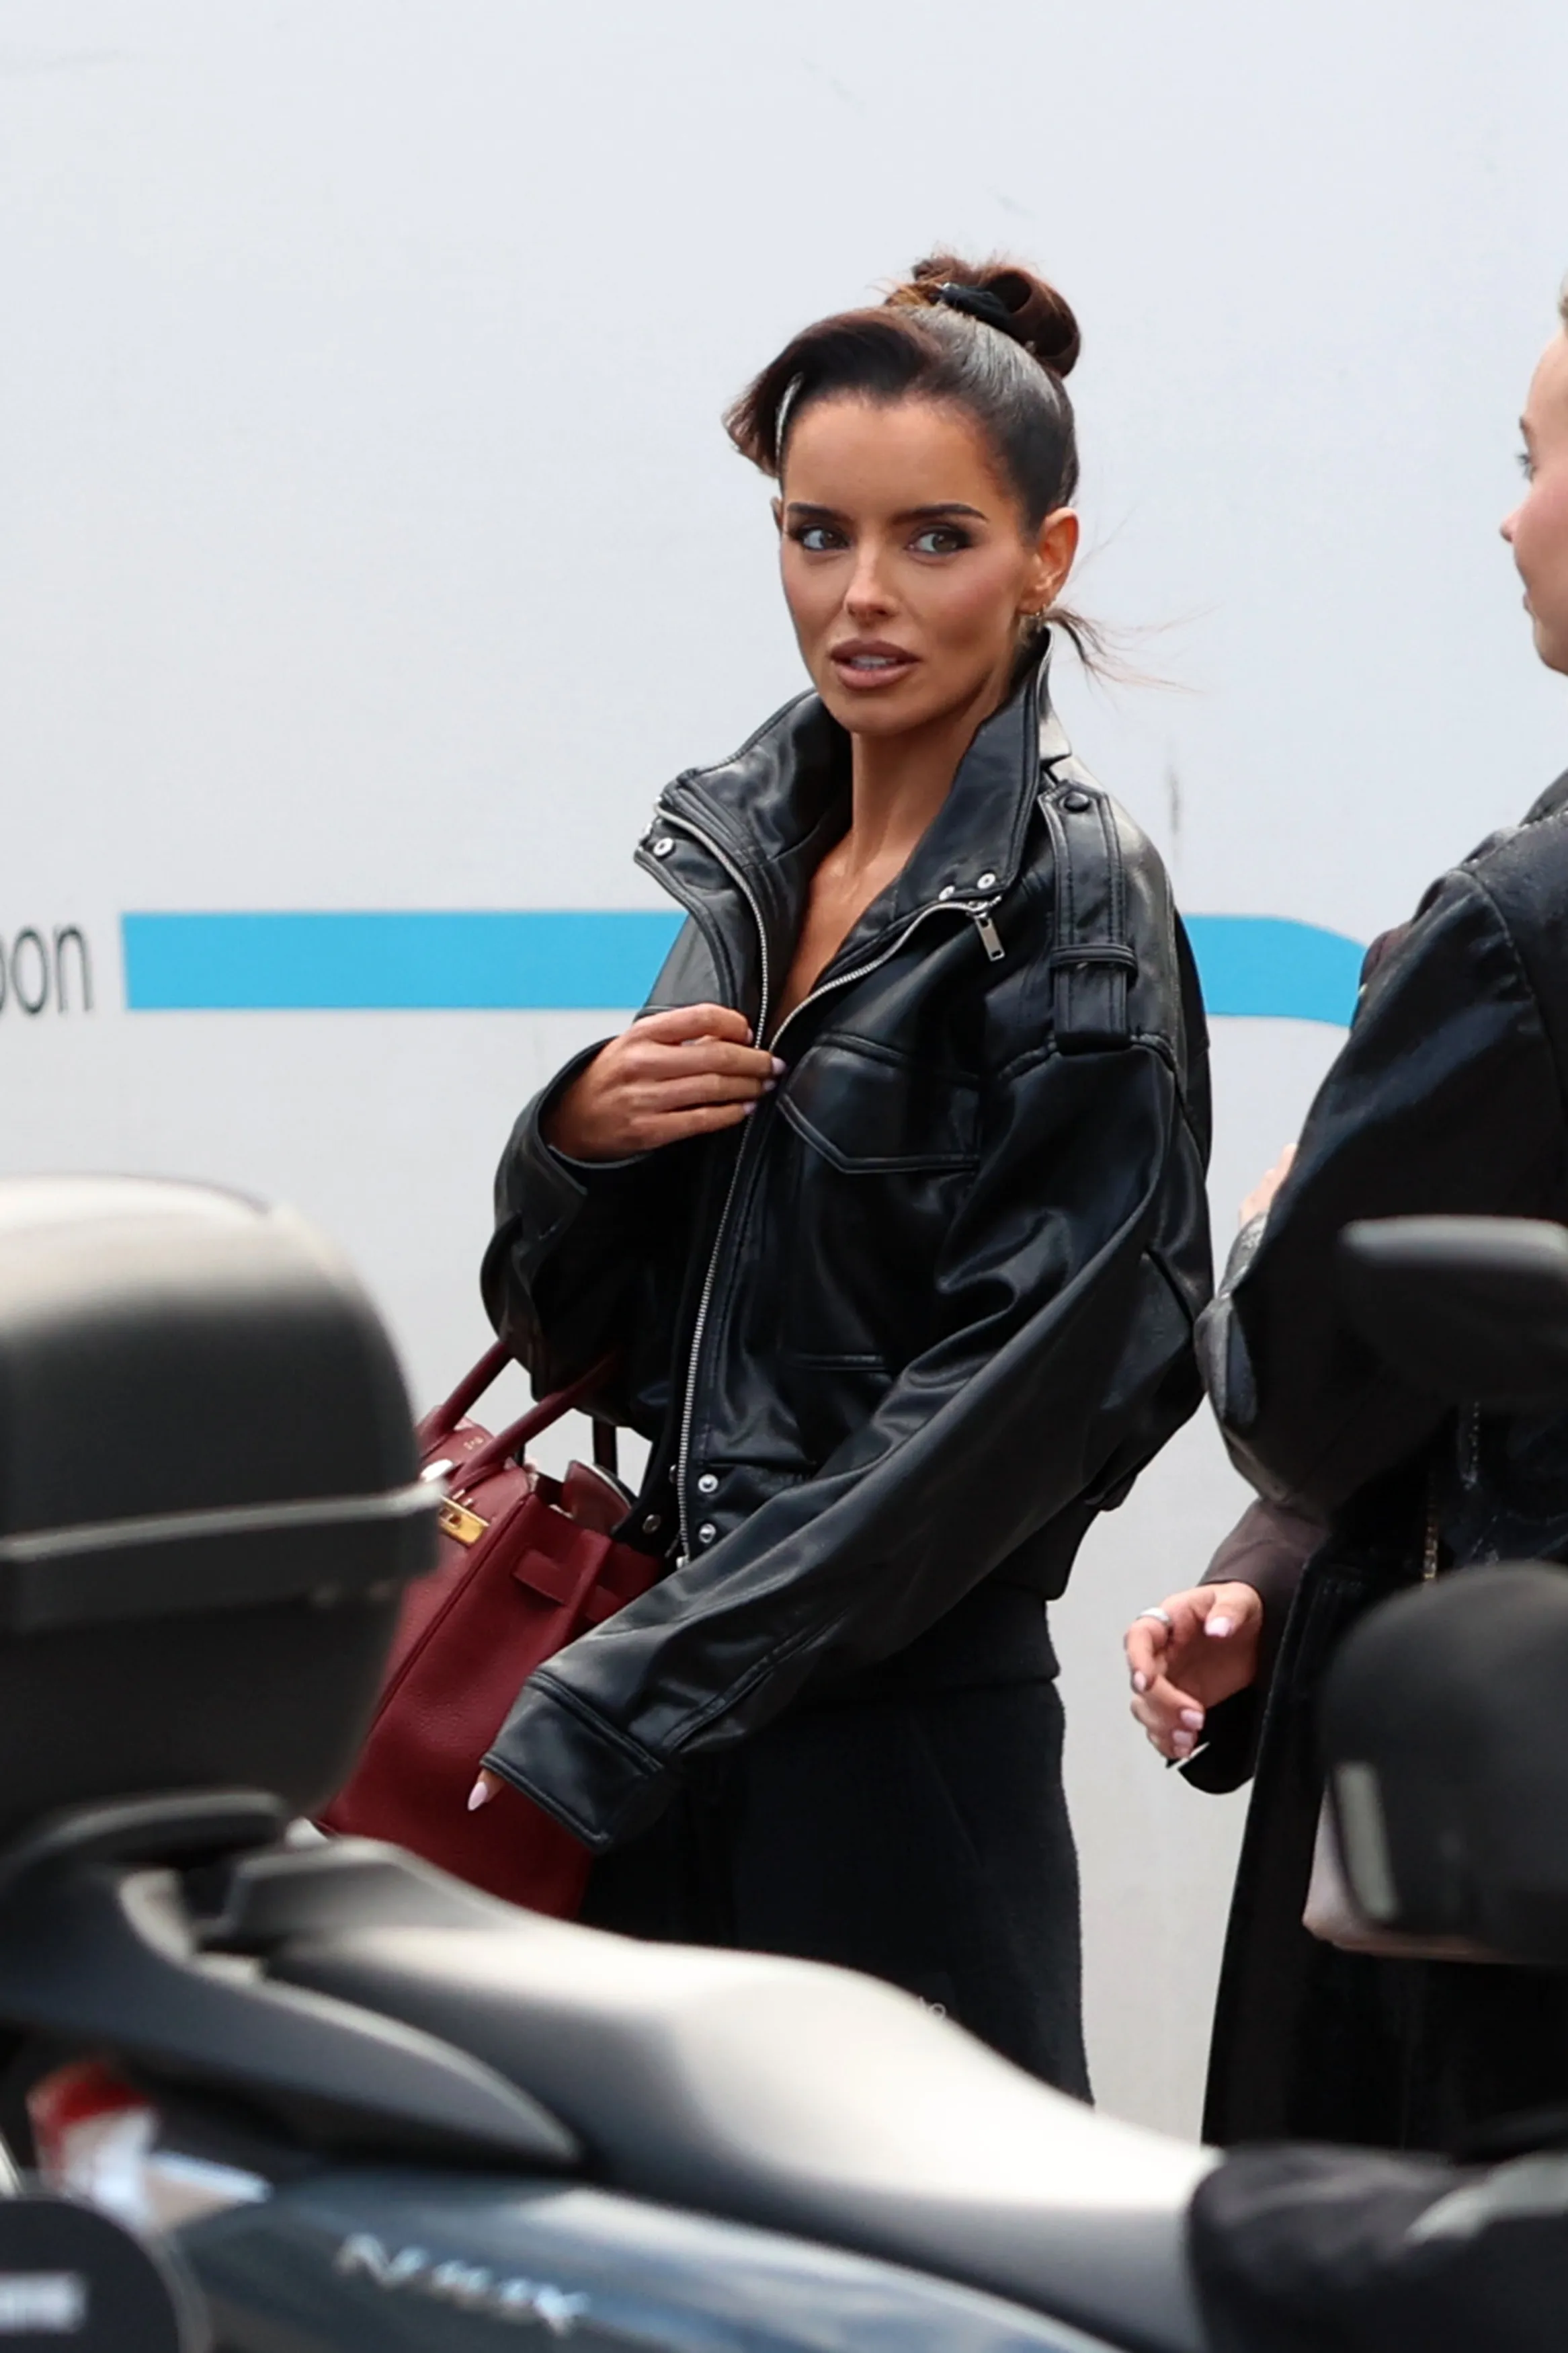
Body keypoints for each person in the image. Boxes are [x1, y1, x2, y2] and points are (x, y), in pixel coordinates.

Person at [477, 253, 1213, 2090]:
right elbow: (581, 1330)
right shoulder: (747, 854)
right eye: (817, 533)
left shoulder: (1073, 907)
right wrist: (571, 1143)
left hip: (885, 1762)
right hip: (675, 1716)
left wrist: (643, 1687)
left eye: (932, 539)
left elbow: (1005, 1413)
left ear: (1041, 559)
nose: (861, 595)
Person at [1124, 280, 1568, 2150]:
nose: (1506, 514)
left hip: (1504, 1878)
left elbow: (1308, 1376)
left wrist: (1267, 1235)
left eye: (1540, 458)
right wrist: (1278, 1566)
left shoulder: (1522, 933)